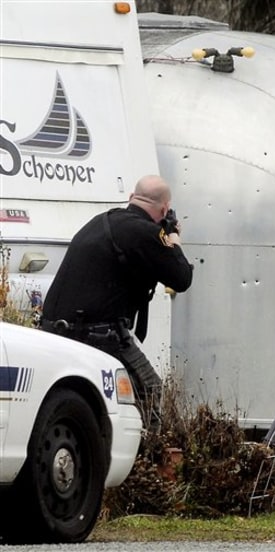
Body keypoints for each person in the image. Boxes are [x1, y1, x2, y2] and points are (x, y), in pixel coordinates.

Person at [41, 174, 193, 432]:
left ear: (131, 198)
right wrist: (174, 241)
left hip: (55, 331)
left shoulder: (100, 222)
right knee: (150, 391)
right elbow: (181, 279)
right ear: (165, 210)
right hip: (100, 334)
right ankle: (144, 457)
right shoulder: (147, 233)